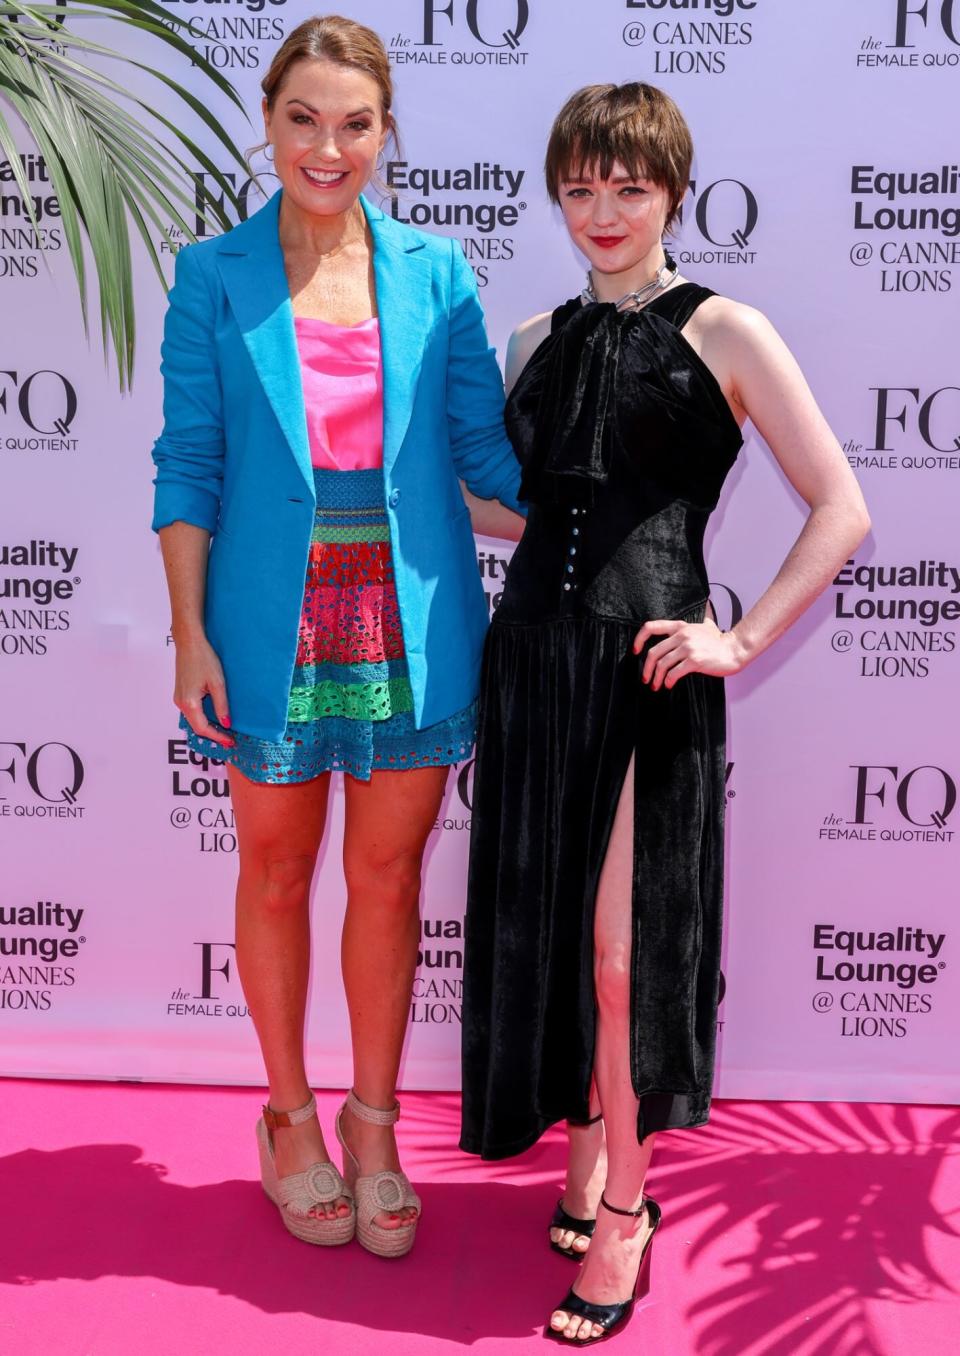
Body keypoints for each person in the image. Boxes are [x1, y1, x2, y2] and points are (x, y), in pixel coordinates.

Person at [459, 82, 870, 1343]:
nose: (601, 211)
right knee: (551, 936)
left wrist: (734, 638)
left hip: (649, 678)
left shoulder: (729, 329)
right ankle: (585, 1149)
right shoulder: (530, 337)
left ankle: (629, 1211)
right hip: (531, 664)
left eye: (627, 186)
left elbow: (841, 508)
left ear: (673, 191)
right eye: (579, 187)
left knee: (624, 955)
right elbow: (524, 511)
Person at [151, 14, 523, 1259]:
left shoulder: (437, 272)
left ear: (385, 131)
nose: (328, 145)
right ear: (269, 120)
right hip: (269, 615)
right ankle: (290, 1122)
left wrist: (619, 493)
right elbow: (190, 464)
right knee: (271, 871)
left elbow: (482, 457)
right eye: (304, 118)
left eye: (354, 123)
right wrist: (188, 634)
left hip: (409, 612)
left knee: (390, 877)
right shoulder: (214, 275)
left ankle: (374, 1125)